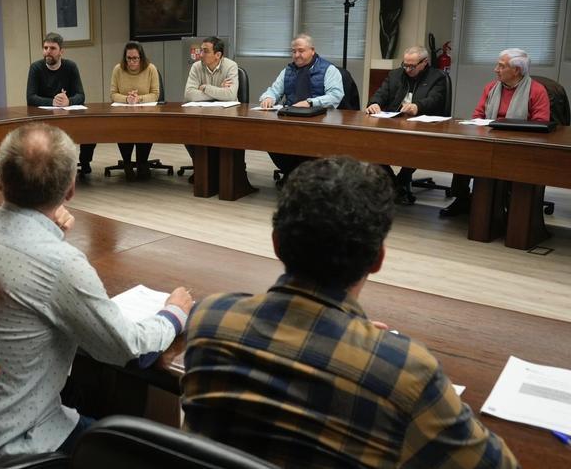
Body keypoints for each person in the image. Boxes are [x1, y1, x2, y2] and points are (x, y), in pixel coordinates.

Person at [182, 156, 519, 469]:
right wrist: (365, 344)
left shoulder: (209, 319)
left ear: (276, 243)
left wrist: (349, 333)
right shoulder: (406, 373)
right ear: (378, 260)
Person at [0, 122, 193, 465]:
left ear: (0, 181)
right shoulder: (59, 264)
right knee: (156, 456)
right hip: (22, 443)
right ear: (71, 190)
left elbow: (26, 274)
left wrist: (50, 231)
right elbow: (127, 347)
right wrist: (175, 313)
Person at [441, 48, 550, 217]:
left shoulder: (537, 91)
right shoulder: (491, 87)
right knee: (464, 154)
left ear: (517, 70)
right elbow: (477, 116)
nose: (495, 70)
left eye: (501, 66)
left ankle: (506, 205)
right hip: (489, 139)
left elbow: (541, 124)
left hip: (518, 146)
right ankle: (462, 199)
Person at [366, 45, 449, 205]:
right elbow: (381, 93)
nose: (408, 69)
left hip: (424, 125)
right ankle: (398, 186)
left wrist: (417, 106)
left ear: (425, 62)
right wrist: (375, 103)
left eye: (412, 66)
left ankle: (399, 184)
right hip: (393, 123)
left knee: (417, 149)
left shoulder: (438, 77)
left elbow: (435, 99)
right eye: (405, 65)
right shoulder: (396, 74)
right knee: (372, 145)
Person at [259, 34, 344, 178]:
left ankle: (307, 177)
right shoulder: (288, 71)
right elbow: (274, 90)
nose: (297, 55)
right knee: (268, 137)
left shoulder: (329, 70)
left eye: (301, 50)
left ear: (312, 50)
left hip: (319, 124)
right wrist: (268, 97)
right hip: (290, 121)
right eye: (294, 51)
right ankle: (293, 174)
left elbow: (336, 96)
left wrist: (311, 102)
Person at [26, 33, 90, 173]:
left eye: (52, 48)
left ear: (61, 51)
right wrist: (52, 102)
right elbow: (30, 97)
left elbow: (81, 95)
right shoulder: (36, 68)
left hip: (67, 114)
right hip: (44, 116)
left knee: (90, 127)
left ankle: (85, 162)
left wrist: (69, 101)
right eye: (45, 48)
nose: (48, 51)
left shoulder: (70, 66)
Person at [183, 36, 239, 180]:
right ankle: (201, 167)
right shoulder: (196, 67)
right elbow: (189, 94)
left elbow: (231, 95)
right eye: (201, 51)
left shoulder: (231, 66)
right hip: (201, 113)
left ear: (218, 55)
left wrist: (205, 88)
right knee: (187, 131)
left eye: (205, 51)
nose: (201, 54)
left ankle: (220, 170)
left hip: (226, 114)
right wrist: (218, 92)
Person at [110, 41, 160, 179]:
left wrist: (139, 99)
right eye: (129, 58)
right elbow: (113, 94)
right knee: (123, 127)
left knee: (145, 126)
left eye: (135, 58)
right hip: (123, 112)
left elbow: (155, 94)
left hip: (145, 112)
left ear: (141, 58)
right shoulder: (118, 69)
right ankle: (127, 163)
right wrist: (127, 99)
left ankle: (142, 162)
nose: (132, 62)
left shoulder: (151, 69)